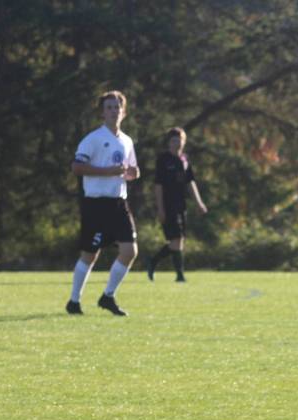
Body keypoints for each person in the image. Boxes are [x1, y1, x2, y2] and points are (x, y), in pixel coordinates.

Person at [66, 90, 140, 316]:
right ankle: (74, 301)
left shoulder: (126, 141)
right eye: (109, 107)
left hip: (118, 203)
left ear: (123, 112)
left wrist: (133, 173)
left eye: (117, 107)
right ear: (102, 112)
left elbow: (131, 169)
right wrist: (107, 172)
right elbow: (77, 167)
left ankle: (107, 296)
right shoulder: (92, 139)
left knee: (130, 251)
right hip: (96, 205)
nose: (113, 111)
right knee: (90, 255)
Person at [147, 127, 207, 282]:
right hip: (168, 205)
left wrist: (199, 202)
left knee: (178, 240)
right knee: (176, 239)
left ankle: (154, 261)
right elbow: (158, 185)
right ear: (168, 143)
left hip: (181, 205)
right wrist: (160, 209)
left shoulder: (184, 160)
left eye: (179, 140)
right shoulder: (163, 160)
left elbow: (190, 182)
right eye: (174, 140)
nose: (177, 143)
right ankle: (179, 275)